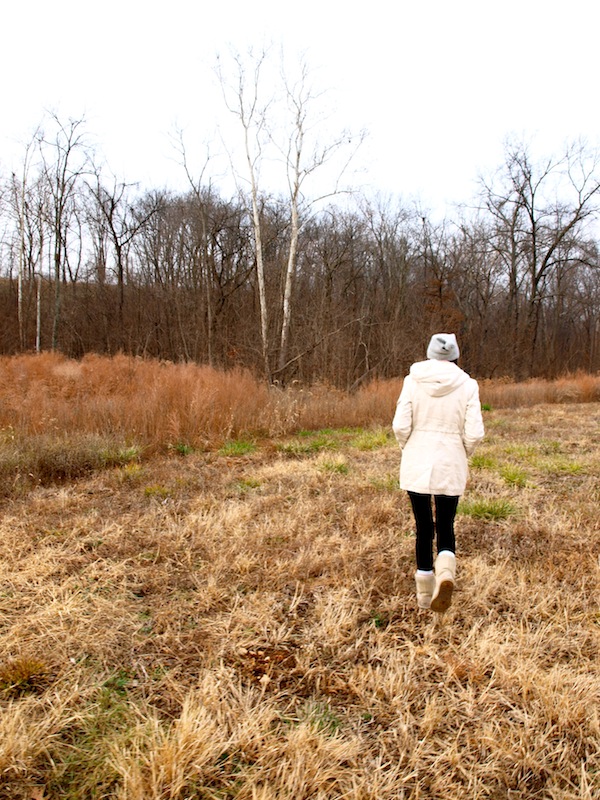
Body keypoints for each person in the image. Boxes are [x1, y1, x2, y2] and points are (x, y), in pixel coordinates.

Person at [392, 333, 484, 612]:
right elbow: (475, 433)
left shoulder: (412, 381)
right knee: (446, 524)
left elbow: (400, 425)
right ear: (455, 356)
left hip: (417, 460)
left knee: (423, 526)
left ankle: (423, 595)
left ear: (431, 354)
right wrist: (461, 452)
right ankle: (445, 572)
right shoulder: (468, 385)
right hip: (450, 461)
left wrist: (408, 448)